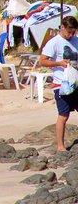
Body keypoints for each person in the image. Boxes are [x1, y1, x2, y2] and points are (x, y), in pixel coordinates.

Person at [40, 16, 78, 152]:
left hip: (76, 82)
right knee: (64, 115)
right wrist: (59, 63)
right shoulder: (54, 42)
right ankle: (60, 146)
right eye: (69, 31)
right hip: (61, 84)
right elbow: (43, 61)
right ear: (62, 27)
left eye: (73, 32)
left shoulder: (76, 40)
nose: (71, 35)